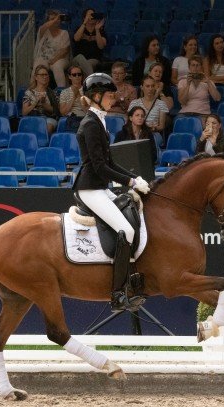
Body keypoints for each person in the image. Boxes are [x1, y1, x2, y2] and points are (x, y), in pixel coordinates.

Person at [72, 73, 150, 312]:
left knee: (131, 215)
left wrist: (134, 178)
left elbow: (110, 162)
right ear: (96, 97)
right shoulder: (90, 124)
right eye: (109, 95)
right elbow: (99, 167)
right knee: (125, 230)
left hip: (99, 186)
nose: (113, 100)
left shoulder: (99, 120)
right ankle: (117, 294)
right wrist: (129, 181)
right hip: (90, 188)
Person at [177, 55, 221, 124]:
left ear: (201, 67)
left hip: (203, 114)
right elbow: (182, 101)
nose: (195, 68)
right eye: (193, 65)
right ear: (189, 67)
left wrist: (208, 82)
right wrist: (188, 85)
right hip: (185, 113)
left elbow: (217, 98)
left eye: (198, 65)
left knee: (202, 125)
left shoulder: (208, 81)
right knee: (179, 123)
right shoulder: (182, 82)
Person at [32, 9, 71, 88]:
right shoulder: (43, 31)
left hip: (61, 59)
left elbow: (65, 50)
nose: (56, 21)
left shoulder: (64, 33)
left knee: (57, 66)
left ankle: (61, 91)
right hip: (45, 58)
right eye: (52, 19)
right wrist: (55, 19)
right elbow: (43, 27)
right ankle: (33, 90)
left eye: (57, 19)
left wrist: (54, 60)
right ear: (47, 21)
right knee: (37, 65)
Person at [22, 64, 61, 135]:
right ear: (36, 77)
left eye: (46, 75)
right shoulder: (29, 93)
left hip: (48, 118)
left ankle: (44, 144)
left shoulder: (52, 93)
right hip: (33, 118)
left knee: (48, 127)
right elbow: (24, 112)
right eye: (42, 75)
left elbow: (58, 111)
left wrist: (44, 105)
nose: (45, 77)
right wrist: (36, 102)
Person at [72, 8, 106, 77]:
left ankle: (86, 84)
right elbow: (76, 38)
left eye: (93, 15)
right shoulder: (79, 29)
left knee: (87, 64)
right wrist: (84, 23)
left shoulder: (100, 31)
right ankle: (92, 80)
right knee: (80, 57)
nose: (92, 17)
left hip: (94, 59)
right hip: (77, 60)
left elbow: (101, 46)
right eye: (89, 15)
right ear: (84, 17)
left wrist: (97, 30)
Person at [59, 64, 87, 132]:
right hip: (71, 118)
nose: (77, 76)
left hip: (84, 118)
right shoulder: (64, 92)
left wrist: (80, 96)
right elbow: (63, 112)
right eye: (74, 75)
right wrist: (74, 97)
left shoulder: (87, 91)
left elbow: (87, 111)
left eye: (79, 74)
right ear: (69, 76)